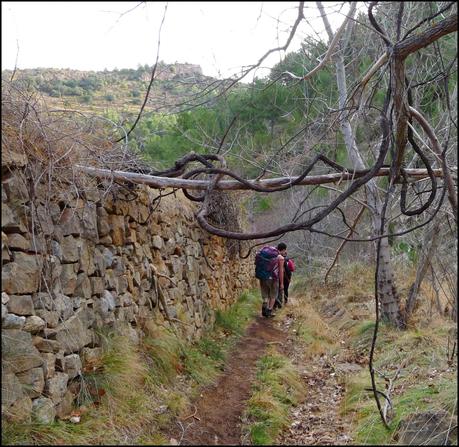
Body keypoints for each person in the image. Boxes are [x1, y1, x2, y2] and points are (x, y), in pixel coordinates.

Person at [256, 246, 284, 318]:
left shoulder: (264, 254)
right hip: (273, 279)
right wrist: (281, 283)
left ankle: (264, 305)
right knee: (273, 295)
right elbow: (281, 272)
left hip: (263, 276)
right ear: (282, 250)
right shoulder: (280, 258)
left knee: (265, 293)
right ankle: (269, 311)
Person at [274, 243, 293, 309]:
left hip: (274, 276)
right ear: (284, 250)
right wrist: (289, 277)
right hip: (284, 277)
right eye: (285, 250)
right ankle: (283, 302)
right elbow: (290, 269)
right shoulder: (286, 260)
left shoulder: (274, 256)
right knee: (284, 290)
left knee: (276, 290)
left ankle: (274, 305)